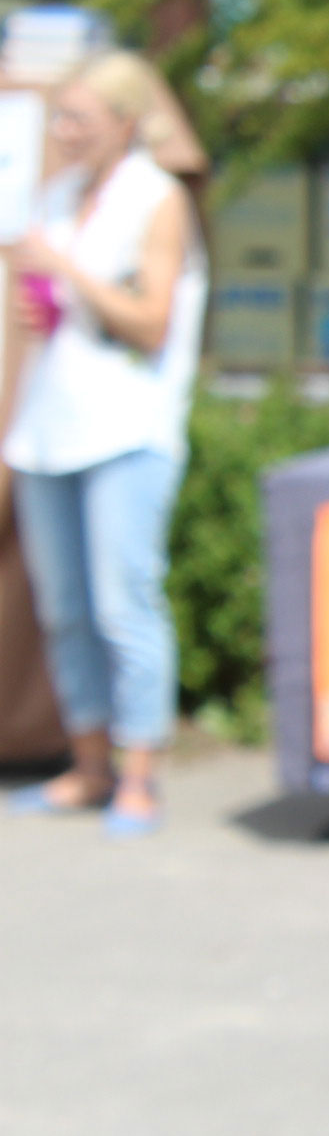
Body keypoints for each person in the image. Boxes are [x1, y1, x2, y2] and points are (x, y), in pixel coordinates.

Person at [2, 51, 207, 836]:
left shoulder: (155, 198)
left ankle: (140, 777)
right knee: (65, 609)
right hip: (49, 429)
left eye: (78, 118)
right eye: (59, 117)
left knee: (126, 603)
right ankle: (88, 768)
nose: (64, 132)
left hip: (126, 430)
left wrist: (70, 273)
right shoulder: (57, 196)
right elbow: (65, 309)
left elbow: (151, 322)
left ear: (124, 122)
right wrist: (44, 306)